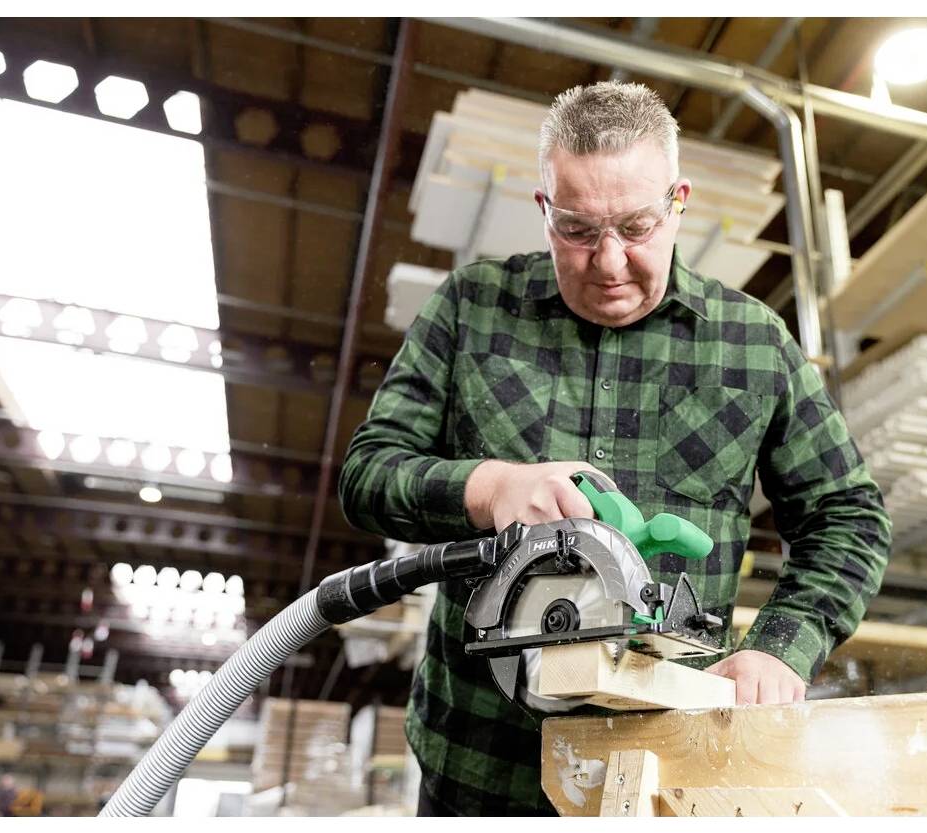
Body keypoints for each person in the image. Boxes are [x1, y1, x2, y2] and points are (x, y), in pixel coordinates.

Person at [338, 81, 892, 816]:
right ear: (543, 209)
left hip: (665, 770)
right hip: (478, 761)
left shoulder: (754, 344)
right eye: (576, 229)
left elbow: (848, 517)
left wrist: (781, 646)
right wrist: (490, 487)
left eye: (636, 226)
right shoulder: (471, 309)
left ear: (679, 201)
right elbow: (368, 473)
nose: (609, 262)